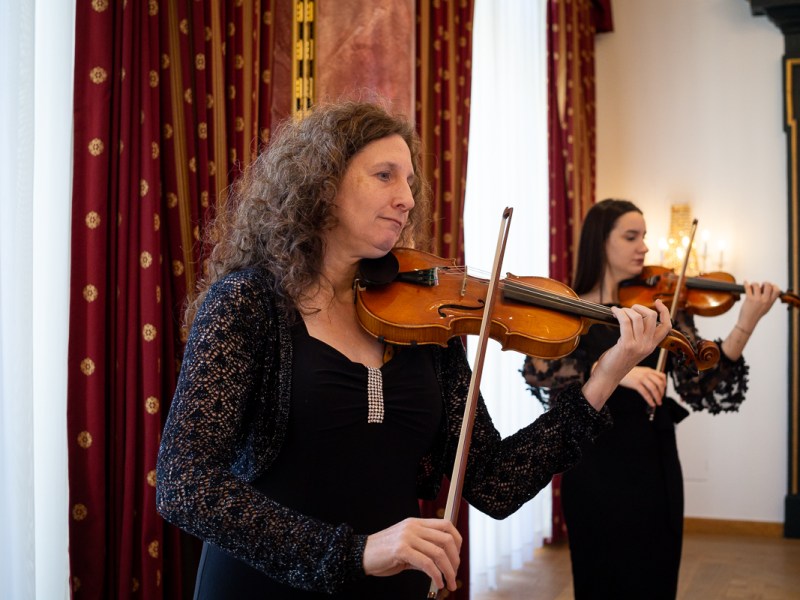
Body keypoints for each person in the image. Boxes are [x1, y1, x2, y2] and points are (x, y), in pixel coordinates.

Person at [156, 103, 673, 599]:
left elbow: (495, 481)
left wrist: (605, 376)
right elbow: (184, 483)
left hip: (392, 588)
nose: (406, 197)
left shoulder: (428, 322)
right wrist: (354, 552)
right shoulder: (249, 303)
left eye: (409, 180)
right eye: (384, 175)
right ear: (322, 182)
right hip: (265, 588)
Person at [521, 198, 781, 600]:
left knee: (656, 580)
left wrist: (746, 322)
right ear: (600, 242)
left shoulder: (659, 311)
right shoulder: (568, 311)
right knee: (600, 578)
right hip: (595, 468)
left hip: (654, 465)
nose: (644, 246)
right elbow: (542, 374)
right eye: (631, 236)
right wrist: (616, 369)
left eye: (644, 236)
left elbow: (702, 385)